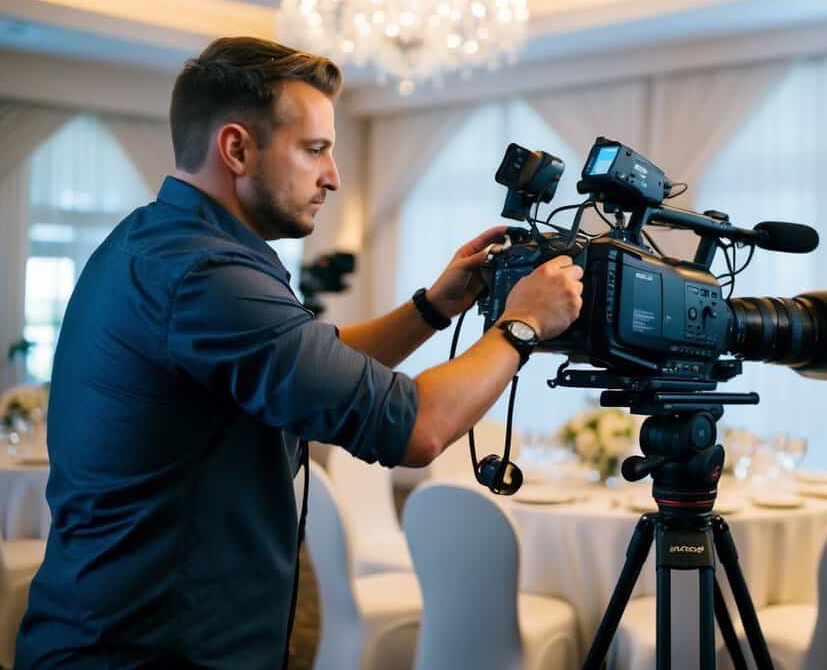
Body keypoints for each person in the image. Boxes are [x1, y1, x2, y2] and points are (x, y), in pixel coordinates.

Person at [16, 37, 583, 668]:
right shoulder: (206, 275)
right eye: (315, 149)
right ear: (236, 148)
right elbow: (416, 429)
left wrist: (435, 307)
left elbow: (314, 362)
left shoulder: (160, 241)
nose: (334, 176)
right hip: (149, 649)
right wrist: (522, 324)